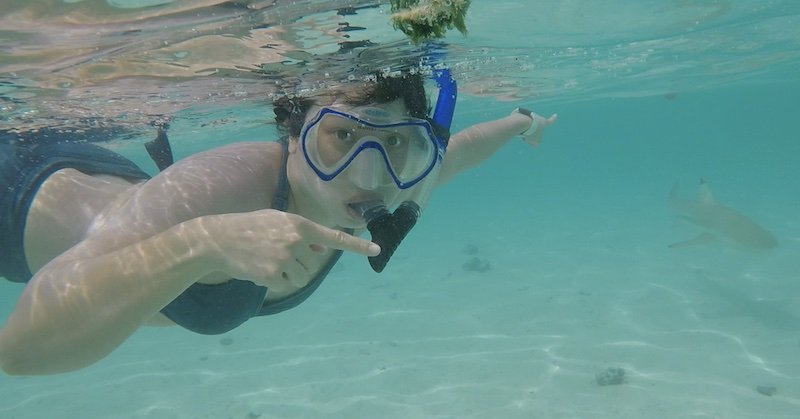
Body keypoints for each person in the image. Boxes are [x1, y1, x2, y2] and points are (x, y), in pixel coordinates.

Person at [0, 71, 556, 375]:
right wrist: (201, 244)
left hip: (100, 177)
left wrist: (522, 121)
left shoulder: (403, 178)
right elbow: (20, 350)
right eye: (341, 135)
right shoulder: (226, 187)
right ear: (294, 136)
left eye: (391, 141)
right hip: (16, 195)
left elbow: (460, 149)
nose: (366, 175)